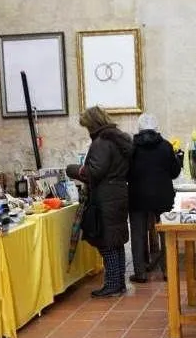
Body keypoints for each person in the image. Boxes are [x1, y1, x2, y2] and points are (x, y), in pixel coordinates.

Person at [68, 106, 134, 297]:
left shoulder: (102, 142)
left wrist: (74, 170)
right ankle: (118, 283)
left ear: (92, 124)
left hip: (105, 197)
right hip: (118, 193)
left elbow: (94, 172)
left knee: (106, 242)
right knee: (116, 241)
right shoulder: (118, 139)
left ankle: (112, 284)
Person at [128, 113, 183, 283]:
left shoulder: (131, 148)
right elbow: (174, 173)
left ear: (139, 128)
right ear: (156, 128)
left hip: (137, 195)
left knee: (138, 234)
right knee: (165, 233)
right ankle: (168, 270)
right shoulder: (166, 146)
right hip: (163, 196)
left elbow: (126, 172)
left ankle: (140, 273)